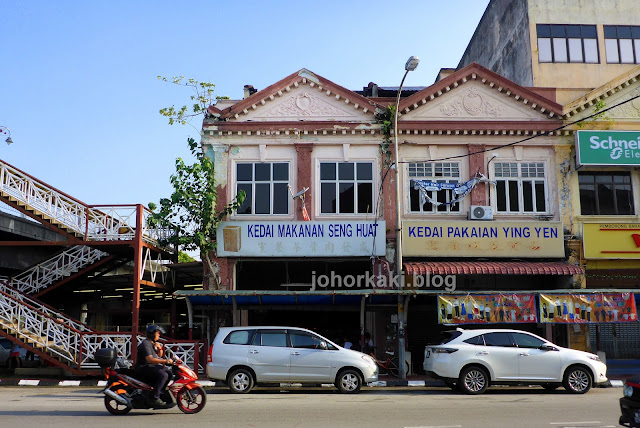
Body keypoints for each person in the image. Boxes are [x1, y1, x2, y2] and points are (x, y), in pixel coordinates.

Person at [135, 325, 176, 407]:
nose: (159, 335)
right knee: (163, 375)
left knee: (169, 373)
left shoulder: (152, 343)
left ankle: (161, 392)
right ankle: (154, 398)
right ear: (152, 334)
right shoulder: (145, 344)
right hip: (143, 368)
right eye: (158, 333)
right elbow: (150, 359)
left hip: (150, 367)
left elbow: (159, 356)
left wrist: (159, 348)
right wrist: (166, 361)